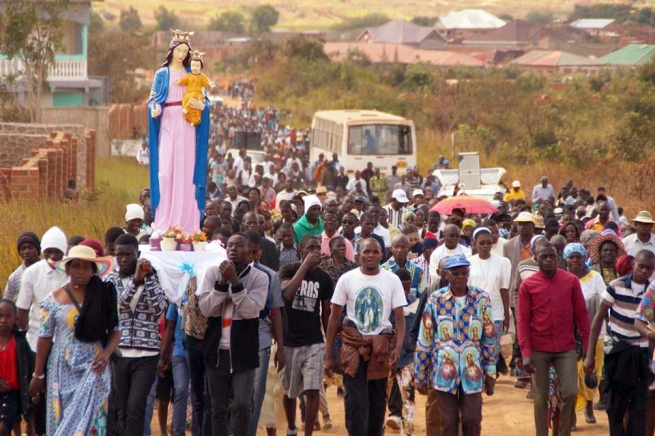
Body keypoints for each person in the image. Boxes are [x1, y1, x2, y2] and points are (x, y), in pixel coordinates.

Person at [29, 245, 119, 435]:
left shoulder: (104, 295)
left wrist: (106, 353)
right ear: (68, 269)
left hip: (94, 365)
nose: (81, 272)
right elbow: (44, 338)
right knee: (62, 420)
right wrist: (38, 375)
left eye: (86, 267)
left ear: (93, 271)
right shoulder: (52, 299)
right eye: (76, 266)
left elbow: (116, 330)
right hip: (62, 367)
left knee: (92, 421)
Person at [325, 238, 407, 436]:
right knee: (355, 401)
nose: (371, 255)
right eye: (366, 251)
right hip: (354, 347)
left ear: (381, 254)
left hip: (381, 348)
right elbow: (334, 318)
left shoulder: (392, 279)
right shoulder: (347, 279)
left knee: (378, 401)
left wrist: (397, 348)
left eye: (375, 252)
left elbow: (400, 318)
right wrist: (329, 353)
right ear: (358, 255)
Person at [415, 254, 497, 436]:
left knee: (472, 419)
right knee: (448, 422)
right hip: (443, 371)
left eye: (464, 273)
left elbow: (489, 338)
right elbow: (425, 338)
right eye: (456, 273)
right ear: (446, 275)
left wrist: (491, 371)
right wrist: (420, 374)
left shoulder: (481, 298)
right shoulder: (435, 300)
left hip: (472, 370)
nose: (460, 277)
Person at [198, 234, 269, 436]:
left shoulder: (259, 278)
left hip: (243, 350)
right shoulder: (212, 273)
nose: (233, 249)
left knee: (243, 404)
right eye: (230, 246)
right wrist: (222, 281)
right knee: (217, 406)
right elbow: (206, 309)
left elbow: (251, 311)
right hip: (216, 350)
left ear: (250, 252)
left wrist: (235, 282)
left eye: (239, 245)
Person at [517, 242, 590, 436]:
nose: (548, 260)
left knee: (570, 392)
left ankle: (563, 432)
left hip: (566, 347)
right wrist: (525, 353)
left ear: (557, 257)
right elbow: (522, 321)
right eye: (544, 257)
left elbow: (582, 314)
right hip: (539, 347)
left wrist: (587, 345)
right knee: (540, 397)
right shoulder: (528, 285)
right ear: (536, 258)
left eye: (552, 256)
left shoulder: (570, 281)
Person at [584, 250, 655, 436]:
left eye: (649, 268)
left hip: (641, 351)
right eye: (642, 266)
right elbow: (599, 319)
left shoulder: (651, 293)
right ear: (634, 265)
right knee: (615, 404)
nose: (645, 271)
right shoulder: (616, 286)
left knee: (639, 405)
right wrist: (590, 354)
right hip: (617, 350)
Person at [103, 234, 167, 436]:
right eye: (119, 254)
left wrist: (146, 278)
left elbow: (159, 308)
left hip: (147, 355)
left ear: (138, 254)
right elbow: (119, 305)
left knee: (135, 406)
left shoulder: (154, 276)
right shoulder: (111, 279)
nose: (123, 259)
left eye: (128, 255)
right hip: (120, 355)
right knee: (122, 409)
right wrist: (135, 281)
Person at [148, 29, 209, 234]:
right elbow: (153, 99)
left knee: (186, 172)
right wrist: (154, 109)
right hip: (168, 121)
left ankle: (186, 223)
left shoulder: (193, 74)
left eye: (185, 51)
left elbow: (204, 99)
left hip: (188, 124)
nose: (182, 54)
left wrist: (203, 107)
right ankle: (165, 221)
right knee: (165, 173)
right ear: (171, 50)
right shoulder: (162, 74)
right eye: (179, 50)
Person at [278, 236, 333, 436]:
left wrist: (329, 347)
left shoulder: (324, 278)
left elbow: (327, 314)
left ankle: (308, 433)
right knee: (290, 392)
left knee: (312, 390)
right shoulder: (287, 270)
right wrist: (305, 266)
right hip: (290, 340)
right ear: (300, 250)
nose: (315, 251)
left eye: (318, 248)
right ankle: (292, 427)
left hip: (314, 341)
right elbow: (287, 293)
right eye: (310, 248)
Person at [16, 226, 69, 435]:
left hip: (65, 341)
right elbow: (22, 311)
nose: (53, 257)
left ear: (64, 251)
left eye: (58, 252)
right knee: (39, 392)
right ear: (43, 252)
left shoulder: (70, 272)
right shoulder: (31, 273)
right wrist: (29, 334)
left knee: (62, 391)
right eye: (49, 252)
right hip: (37, 341)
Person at [243, 230, 286, 436]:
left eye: (254, 252)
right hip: (232, 335)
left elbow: (276, 313)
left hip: (260, 333)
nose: (250, 256)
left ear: (259, 252)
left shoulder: (270, 275)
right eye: (247, 251)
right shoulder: (228, 271)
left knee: (256, 394)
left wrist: (281, 348)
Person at [562, 243, 606, 425]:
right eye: (571, 257)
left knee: (591, 371)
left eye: (578, 257)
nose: (575, 261)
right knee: (571, 373)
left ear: (583, 258)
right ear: (566, 259)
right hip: (570, 334)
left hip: (594, 333)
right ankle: (571, 411)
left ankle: (588, 404)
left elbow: (605, 302)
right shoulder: (562, 278)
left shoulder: (594, 277)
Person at [467, 228, 511, 374]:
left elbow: (504, 290)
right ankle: (480, 376)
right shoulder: (468, 263)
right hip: (474, 313)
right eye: (482, 243)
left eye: (489, 243)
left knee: (493, 348)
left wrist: (506, 314)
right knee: (476, 346)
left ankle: (490, 375)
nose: (486, 246)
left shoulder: (503, 262)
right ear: (474, 244)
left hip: (496, 312)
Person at [158, 297, 190, 436]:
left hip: (201, 354)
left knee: (200, 395)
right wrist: (162, 356)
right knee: (180, 390)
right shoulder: (178, 299)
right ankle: (177, 433)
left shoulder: (206, 293)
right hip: (179, 352)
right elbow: (169, 329)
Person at [0, 299, 32, 436]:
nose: (3, 320)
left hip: (12, 393)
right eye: (0, 316)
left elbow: (29, 366)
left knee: (3, 428)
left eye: (8, 316)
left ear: (15, 319)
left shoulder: (21, 342)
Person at [392, 269, 418, 436]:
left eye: (407, 288)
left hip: (407, 358)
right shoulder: (386, 304)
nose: (404, 291)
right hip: (385, 357)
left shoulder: (415, 304)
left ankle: (406, 431)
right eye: (401, 288)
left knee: (408, 397)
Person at [175, 50, 215, 125]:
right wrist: (179, 81)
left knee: (196, 107)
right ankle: (187, 111)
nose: (195, 68)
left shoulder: (202, 76)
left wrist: (210, 83)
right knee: (187, 98)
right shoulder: (189, 75)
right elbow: (184, 80)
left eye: (197, 66)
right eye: (193, 65)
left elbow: (206, 81)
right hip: (189, 92)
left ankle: (195, 120)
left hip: (198, 93)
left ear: (200, 67)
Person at [382, 235, 427, 299]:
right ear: (391, 248)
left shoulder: (418, 271)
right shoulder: (382, 270)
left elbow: (422, 297)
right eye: (396, 247)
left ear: (408, 249)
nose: (399, 250)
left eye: (403, 247)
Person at [4, 232, 40, 301]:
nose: (26, 251)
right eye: (23, 249)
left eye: (30, 247)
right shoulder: (14, 278)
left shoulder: (48, 270)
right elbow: (7, 303)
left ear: (38, 249)